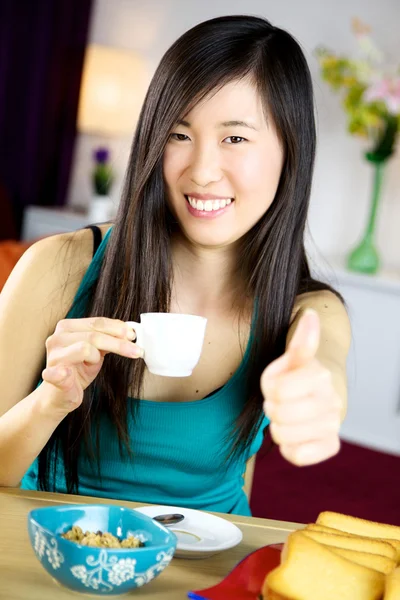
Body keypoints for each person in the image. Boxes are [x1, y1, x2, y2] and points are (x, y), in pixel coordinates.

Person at [0, 15, 350, 516]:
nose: (202, 171)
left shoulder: (305, 309)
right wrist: (48, 403)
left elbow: (325, 363)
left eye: (235, 139)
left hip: (208, 578)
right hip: (61, 565)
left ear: (290, 152)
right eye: (179, 134)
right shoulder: (59, 267)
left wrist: (318, 396)